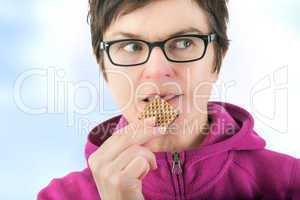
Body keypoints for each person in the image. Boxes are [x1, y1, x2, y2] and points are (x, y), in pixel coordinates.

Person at [38, 0, 300, 199]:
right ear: (102, 63)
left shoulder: (289, 183)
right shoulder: (60, 196)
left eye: (184, 42)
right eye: (131, 47)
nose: (157, 70)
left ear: (218, 58)